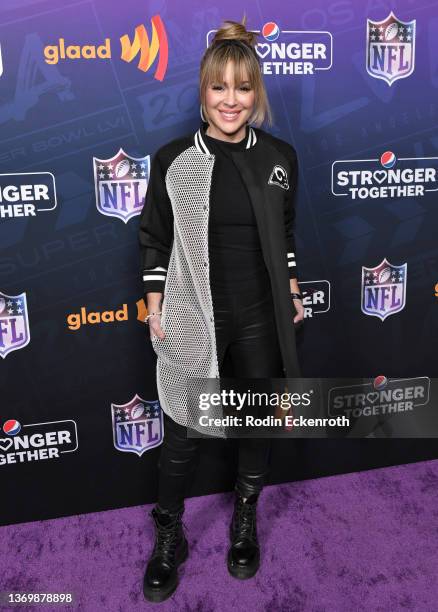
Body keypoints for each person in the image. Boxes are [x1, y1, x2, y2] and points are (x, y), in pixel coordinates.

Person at [138, 17, 304, 603]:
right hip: (191, 316)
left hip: (262, 314)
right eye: (219, 88)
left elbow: (284, 234)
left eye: (242, 88)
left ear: (255, 93)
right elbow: (155, 237)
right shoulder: (173, 158)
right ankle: (169, 535)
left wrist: (290, 289)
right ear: (204, 91)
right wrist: (155, 306)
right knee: (182, 430)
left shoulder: (281, 156)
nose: (230, 101)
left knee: (256, 419)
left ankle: (244, 517)